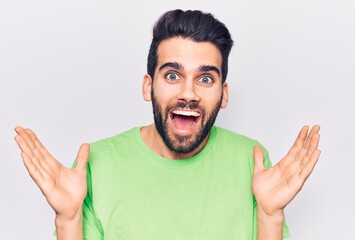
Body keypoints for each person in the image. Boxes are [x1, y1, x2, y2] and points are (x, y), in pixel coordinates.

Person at [14, 9, 321, 240]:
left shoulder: (250, 160)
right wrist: (67, 221)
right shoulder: (97, 164)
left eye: (205, 78)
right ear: (148, 87)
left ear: (223, 94)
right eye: (172, 75)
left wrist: (270, 216)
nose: (188, 93)